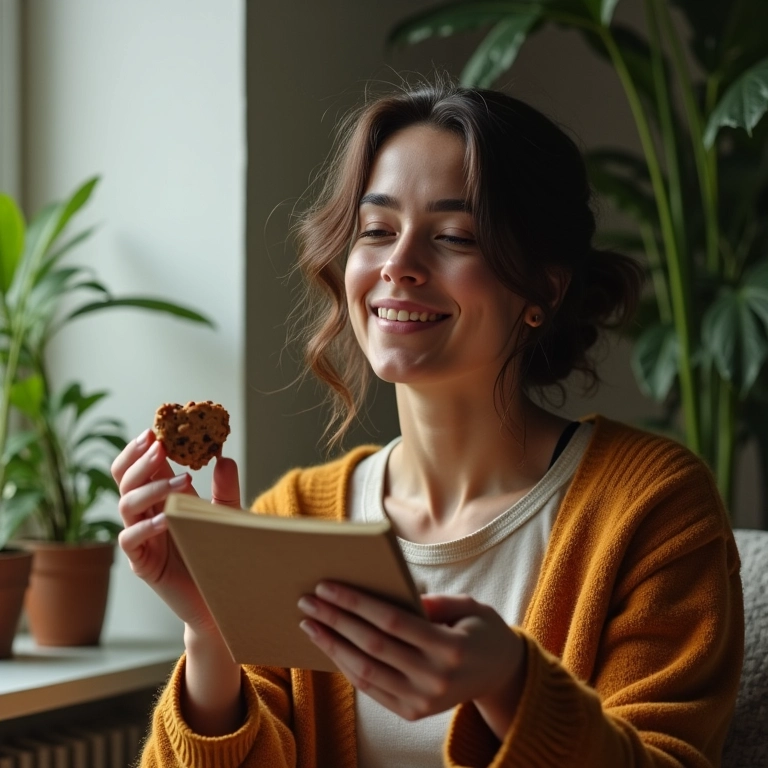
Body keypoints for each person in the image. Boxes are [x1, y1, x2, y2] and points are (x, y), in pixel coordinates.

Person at [112, 80, 743, 767]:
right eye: (376, 231)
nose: (398, 265)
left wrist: (511, 685)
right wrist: (211, 630)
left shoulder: (651, 510)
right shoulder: (297, 515)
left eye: (452, 236)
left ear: (541, 289)